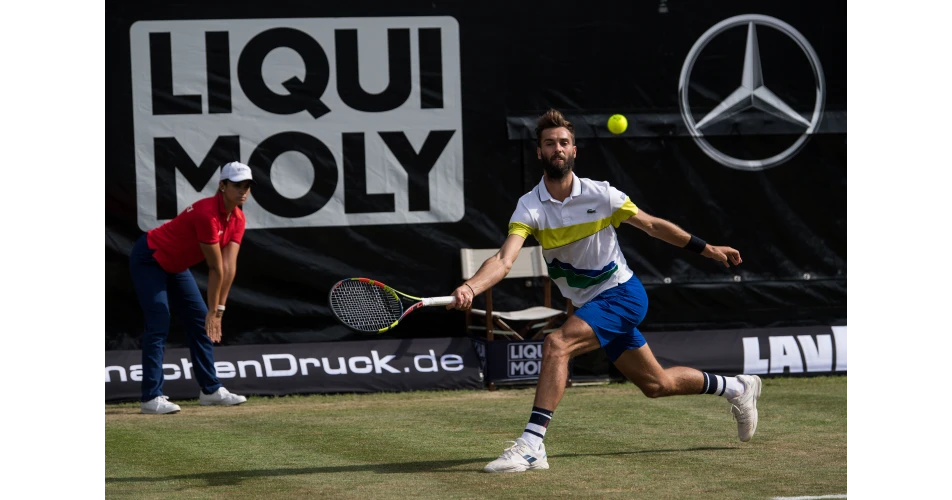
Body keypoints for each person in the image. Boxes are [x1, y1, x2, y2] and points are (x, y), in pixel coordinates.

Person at [447, 109, 760, 473]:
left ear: (574, 150)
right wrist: (471, 287)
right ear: (539, 153)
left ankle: (532, 445)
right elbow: (503, 260)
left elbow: (654, 226)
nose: (557, 148)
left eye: (564, 142)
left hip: (623, 295)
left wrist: (708, 249)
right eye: (550, 143)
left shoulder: (603, 196)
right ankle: (737, 388)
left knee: (557, 344)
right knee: (656, 384)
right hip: (591, 305)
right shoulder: (530, 207)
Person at [129, 161, 254, 414]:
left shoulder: (238, 218)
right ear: (222, 185)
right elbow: (215, 268)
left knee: (200, 322)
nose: (243, 191)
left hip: (175, 266)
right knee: (159, 321)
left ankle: (210, 390)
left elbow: (230, 267)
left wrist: (218, 310)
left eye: (247, 186)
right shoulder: (206, 214)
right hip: (150, 257)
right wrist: (214, 312)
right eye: (237, 185)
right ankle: (151, 398)